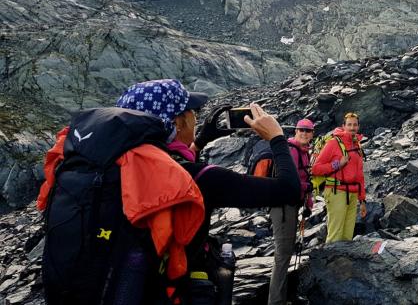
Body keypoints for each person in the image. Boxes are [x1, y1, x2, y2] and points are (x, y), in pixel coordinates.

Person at [38, 78, 300, 305]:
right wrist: (276, 137)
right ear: (178, 121)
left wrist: (199, 141)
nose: (196, 118)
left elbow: (166, 165)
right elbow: (289, 189)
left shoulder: (106, 170)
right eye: (192, 112)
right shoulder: (201, 179)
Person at [267, 118, 315, 305]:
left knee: (285, 252)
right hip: (283, 207)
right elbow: (290, 182)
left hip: (291, 206)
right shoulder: (292, 151)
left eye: (308, 130)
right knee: (282, 254)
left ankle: (282, 297)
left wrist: (308, 203)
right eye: (301, 130)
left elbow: (305, 179)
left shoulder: (303, 152)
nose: (304, 133)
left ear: (312, 134)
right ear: (295, 131)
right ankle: (276, 301)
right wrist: (306, 187)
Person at [311, 112, 366, 243]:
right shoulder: (333, 143)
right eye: (349, 125)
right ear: (343, 126)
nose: (352, 128)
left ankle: (342, 262)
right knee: (335, 234)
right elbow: (315, 169)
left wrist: (362, 200)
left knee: (347, 236)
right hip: (337, 192)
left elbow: (359, 175)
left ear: (358, 126)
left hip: (352, 194)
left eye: (355, 125)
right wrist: (337, 164)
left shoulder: (356, 145)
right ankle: (329, 261)